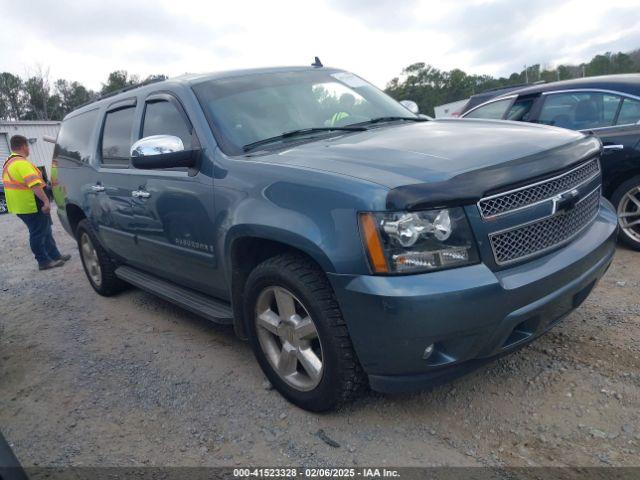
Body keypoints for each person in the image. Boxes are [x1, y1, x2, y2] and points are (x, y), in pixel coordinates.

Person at [2, 135, 70, 270]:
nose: (28, 149)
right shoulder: (21, 163)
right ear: (23, 146)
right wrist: (45, 201)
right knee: (38, 233)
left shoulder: (9, 162)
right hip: (31, 205)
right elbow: (34, 185)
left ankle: (54, 255)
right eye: (27, 146)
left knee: (45, 230)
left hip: (21, 205)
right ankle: (44, 261)